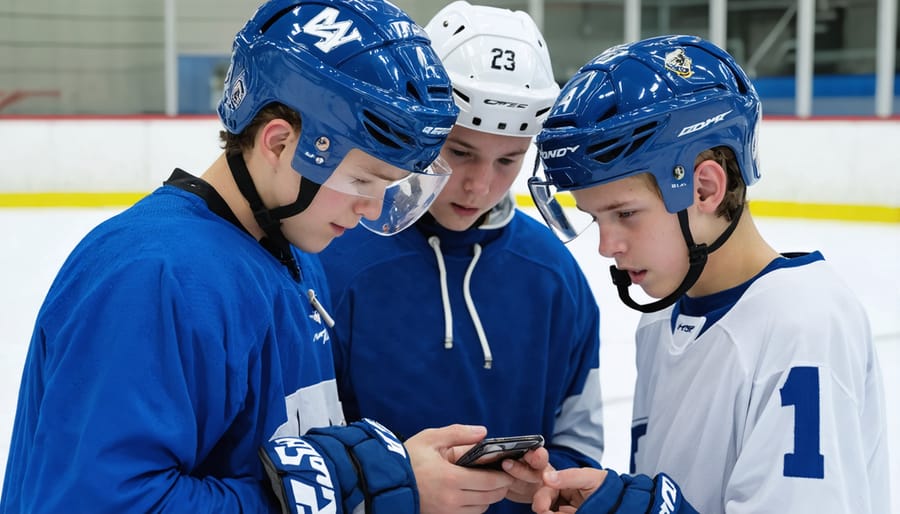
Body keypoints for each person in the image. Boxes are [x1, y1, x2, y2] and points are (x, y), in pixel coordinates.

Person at [0, 1, 523, 512]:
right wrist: (367, 490)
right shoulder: (157, 276)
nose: (369, 209)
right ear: (279, 143)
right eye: (363, 179)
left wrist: (394, 470)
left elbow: (290, 460)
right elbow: (100, 501)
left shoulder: (292, 252)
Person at [527, 35, 890, 514]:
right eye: (597, 219)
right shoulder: (660, 321)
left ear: (703, 188)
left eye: (625, 214)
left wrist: (630, 508)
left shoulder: (804, 324)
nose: (605, 245)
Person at [319, 2, 605, 513]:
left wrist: (547, 480)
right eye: (461, 151)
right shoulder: (337, 256)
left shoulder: (554, 274)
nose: (479, 186)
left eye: (508, 160)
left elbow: (578, 434)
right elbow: (306, 448)